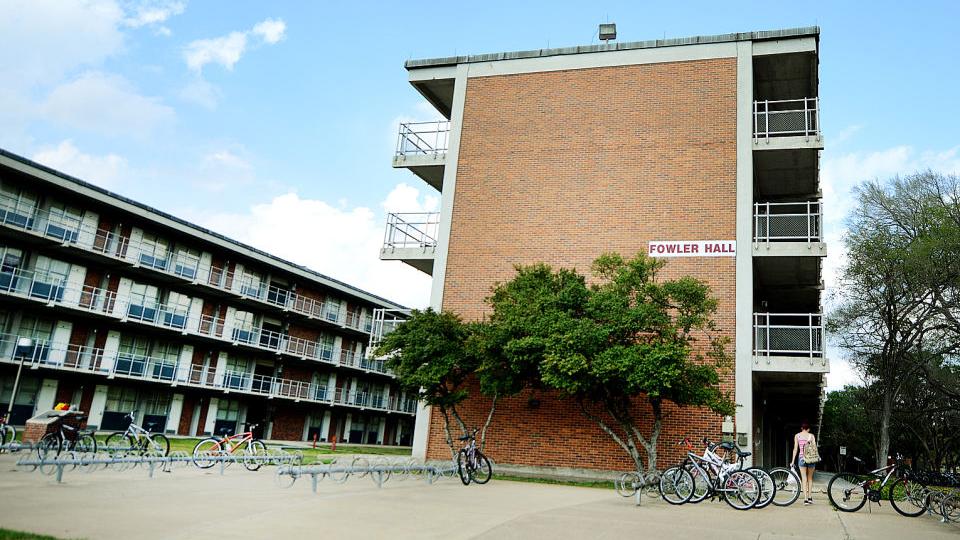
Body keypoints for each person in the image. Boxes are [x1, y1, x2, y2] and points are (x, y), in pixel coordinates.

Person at [791, 421, 817, 505]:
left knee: (804, 478)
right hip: (811, 458)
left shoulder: (797, 436)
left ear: (801, 428)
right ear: (808, 429)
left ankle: (805, 499)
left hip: (801, 458)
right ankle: (810, 498)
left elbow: (795, 449)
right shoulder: (811, 436)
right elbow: (815, 448)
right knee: (810, 478)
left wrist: (792, 461)